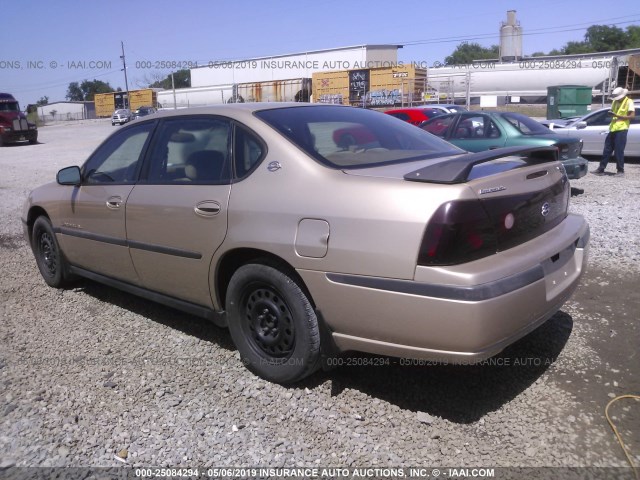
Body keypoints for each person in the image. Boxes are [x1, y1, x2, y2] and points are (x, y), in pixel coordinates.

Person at [592, 87, 635, 176]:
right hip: (613, 128)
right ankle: (601, 169)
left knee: (619, 150)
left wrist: (617, 115)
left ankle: (620, 170)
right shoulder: (615, 101)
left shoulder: (629, 101)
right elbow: (613, 112)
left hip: (622, 129)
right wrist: (611, 114)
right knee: (607, 149)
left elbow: (632, 116)